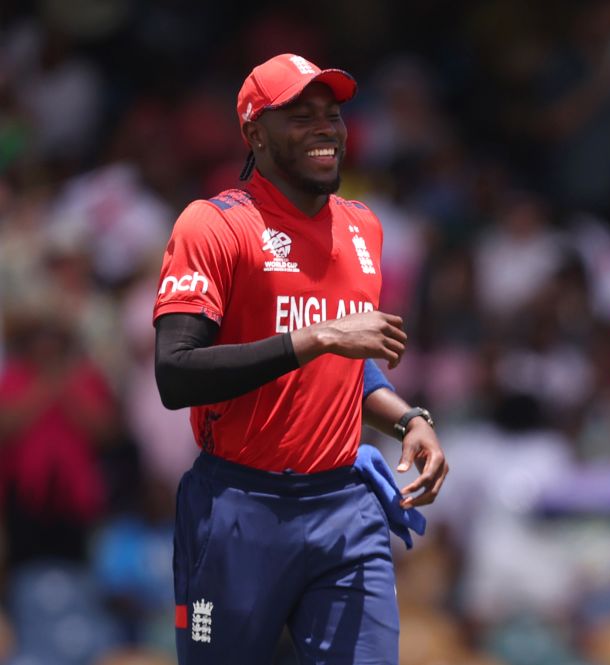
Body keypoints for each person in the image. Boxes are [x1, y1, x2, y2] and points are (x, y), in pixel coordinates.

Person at [152, 53, 448, 665]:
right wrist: (317, 337)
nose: (326, 129)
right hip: (236, 510)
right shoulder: (212, 226)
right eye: (301, 116)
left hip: (344, 509)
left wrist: (408, 420)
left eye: (332, 115)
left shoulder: (364, 227)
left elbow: (346, 364)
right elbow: (176, 372)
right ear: (254, 134)